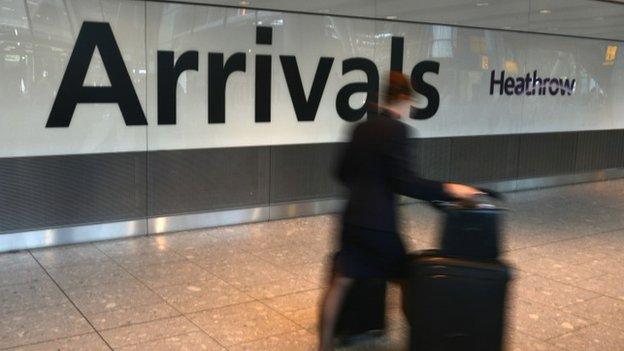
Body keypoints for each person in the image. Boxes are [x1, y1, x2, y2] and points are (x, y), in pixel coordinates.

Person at [318, 71, 482, 351]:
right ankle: (424, 341)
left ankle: (324, 345)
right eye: (409, 102)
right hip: (380, 225)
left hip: (352, 220)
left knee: (341, 282)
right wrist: (450, 189)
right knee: (408, 279)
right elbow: (405, 182)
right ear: (403, 98)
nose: (409, 109)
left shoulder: (360, 128)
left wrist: (364, 189)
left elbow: (341, 172)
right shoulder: (399, 130)